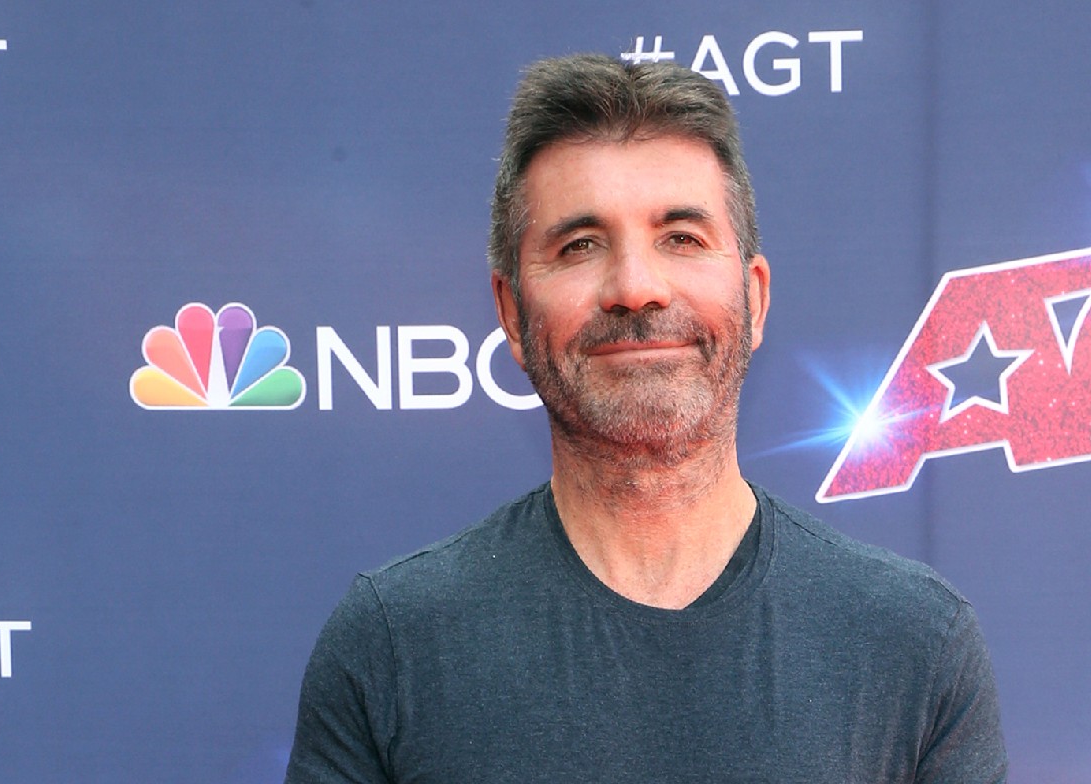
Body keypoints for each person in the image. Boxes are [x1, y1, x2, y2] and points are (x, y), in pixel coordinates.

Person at [284, 54, 1007, 783]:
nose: (636, 287)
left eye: (682, 238)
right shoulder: (391, 645)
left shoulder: (912, 643)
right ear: (509, 311)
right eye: (580, 246)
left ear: (753, 295)